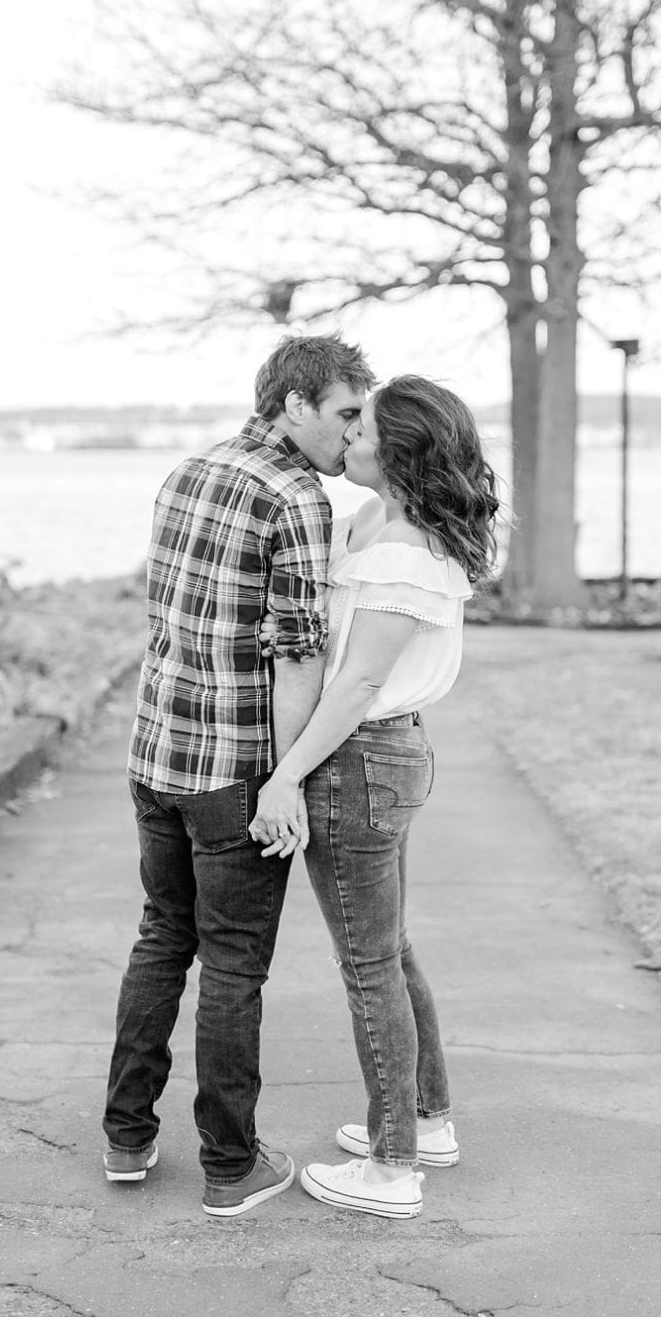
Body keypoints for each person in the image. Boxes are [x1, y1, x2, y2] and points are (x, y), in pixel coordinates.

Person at [103, 334, 373, 1216]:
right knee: (232, 965)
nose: (355, 432)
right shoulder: (298, 497)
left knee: (160, 939)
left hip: (155, 756)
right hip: (231, 769)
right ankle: (231, 1163)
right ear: (294, 404)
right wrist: (286, 778)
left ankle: (127, 1137)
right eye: (345, 413)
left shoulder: (188, 470)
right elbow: (298, 655)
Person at [248, 375, 501, 1219]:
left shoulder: (404, 552)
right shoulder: (381, 524)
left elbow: (354, 684)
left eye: (363, 426)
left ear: (396, 452)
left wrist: (285, 776)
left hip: (360, 758)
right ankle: (425, 1122)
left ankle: (393, 1167)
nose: (348, 434)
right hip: (381, 759)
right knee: (390, 952)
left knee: (368, 967)